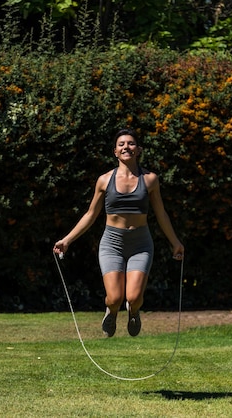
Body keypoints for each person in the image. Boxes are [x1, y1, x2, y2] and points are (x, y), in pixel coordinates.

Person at [53, 129, 185, 337]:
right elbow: (90, 215)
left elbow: (161, 215)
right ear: (115, 151)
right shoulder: (104, 180)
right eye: (121, 144)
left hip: (140, 243)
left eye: (131, 143)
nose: (126, 147)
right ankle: (112, 312)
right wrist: (67, 240)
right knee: (114, 298)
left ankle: (134, 312)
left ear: (138, 150)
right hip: (112, 243)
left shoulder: (150, 179)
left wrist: (175, 243)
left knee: (133, 297)